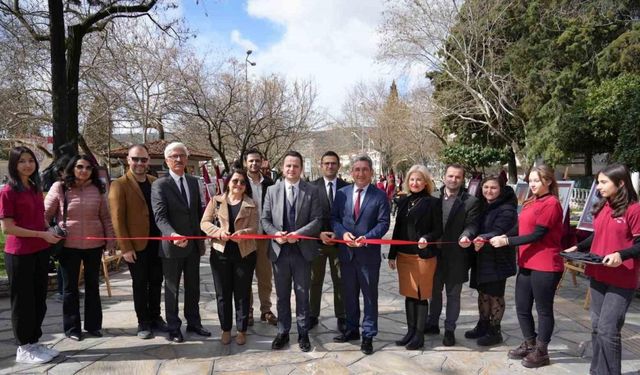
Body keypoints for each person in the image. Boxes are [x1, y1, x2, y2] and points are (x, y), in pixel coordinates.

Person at [564, 164, 640, 375]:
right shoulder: (603, 206)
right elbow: (598, 235)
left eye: (604, 182)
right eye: (599, 182)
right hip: (597, 273)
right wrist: (578, 247)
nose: (599, 186)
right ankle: (597, 371)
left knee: (608, 330)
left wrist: (621, 255)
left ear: (621, 183)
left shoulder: (634, 209)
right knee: (597, 327)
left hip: (621, 278)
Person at [490, 164, 564, 368]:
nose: (532, 184)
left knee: (543, 310)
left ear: (548, 181)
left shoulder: (551, 203)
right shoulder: (531, 201)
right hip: (527, 262)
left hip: (546, 265)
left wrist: (507, 243)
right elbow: (521, 226)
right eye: (530, 180)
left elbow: (537, 234)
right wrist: (506, 234)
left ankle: (542, 351)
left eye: (536, 180)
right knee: (522, 307)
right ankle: (530, 343)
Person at [0, 146, 62, 364]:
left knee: (38, 300)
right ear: (14, 165)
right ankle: (23, 347)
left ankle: (34, 342)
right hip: (20, 254)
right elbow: (7, 228)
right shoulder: (8, 191)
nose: (27, 165)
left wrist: (50, 229)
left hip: (40, 251)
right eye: (22, 161)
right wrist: (40, 234)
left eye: (30, 160)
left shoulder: (35, 187)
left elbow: (40, 216)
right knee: (23, 302)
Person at [45, 155, 116, 341]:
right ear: (71, 168)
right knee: (70, 289)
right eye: (79, 166)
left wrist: (110, 241)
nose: (84, 170)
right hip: (68, 246)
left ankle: (93, 326)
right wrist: (49, 233)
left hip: (94, 245)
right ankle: (72, 329)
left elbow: (106, 217)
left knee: (93, 287)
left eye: (88, 168)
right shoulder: (60, 187)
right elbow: (44, 215)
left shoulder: (98, 189)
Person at [261, 151, 322, 352]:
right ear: (282, 168)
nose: (291, 169)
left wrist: (299, 234)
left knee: (303, 294)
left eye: (296, 166)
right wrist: (275, 233)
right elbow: (265, 219)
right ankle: (283, 332)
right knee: (282, 295)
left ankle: (303, 333)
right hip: (280, 252)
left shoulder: (311, 190)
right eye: (288, 165)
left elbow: (317, 220)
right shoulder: (272, 190)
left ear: (301, 168)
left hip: (302, 251)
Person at [331, 154, 391, 355]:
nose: (361, 173)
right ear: (351, 172)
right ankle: (352, 329)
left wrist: (367, 237)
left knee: (369, 296)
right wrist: (343, 233)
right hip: (347, 254)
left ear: (371, 172)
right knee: (349, 295)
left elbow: (384, 223)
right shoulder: (342, 194)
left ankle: (368, 334)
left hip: (368, 255)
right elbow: (334, 219)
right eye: (357, 169)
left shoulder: (379, 195)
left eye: (365, 169)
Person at [151, 142, 209, 343]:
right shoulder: (160, 185)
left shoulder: (194, 182)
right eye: (174, 156)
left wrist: (202, 237)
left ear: (187, 158)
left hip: (192, 246)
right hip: (172, 247)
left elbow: (197, 213)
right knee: (172, 289)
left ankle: (194, 322)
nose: (178, 159)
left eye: (182, 155)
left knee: (193, 287)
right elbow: (160, 217)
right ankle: (174, 327)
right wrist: (173, 235)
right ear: (166, 160)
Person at [108, 144, 166, 340]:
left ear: (148, 160)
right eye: (135, 159)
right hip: (135, 245)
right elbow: (117, 219)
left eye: (143, 159)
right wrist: (125, 247)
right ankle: (143, 321)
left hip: (156, 243)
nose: (140, 163)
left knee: (157, 281)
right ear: (128, 160)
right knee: (140, 283)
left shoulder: (154, 181)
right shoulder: (119, 184)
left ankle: (156, 317)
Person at [425, 164, 480, 347]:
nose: (453, 180)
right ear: (444, 176)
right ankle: (432, 323)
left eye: (457, 177)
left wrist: (467, 235)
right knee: (434, 292)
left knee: (453, 295)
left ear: (462, 179)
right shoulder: (433, 198)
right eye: (450, 176)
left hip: (457, 257)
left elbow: (472, 224)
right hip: (434, 255)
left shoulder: (470, 201)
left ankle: (449, 330)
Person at [201, 168, 258, 345]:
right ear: (228, 183)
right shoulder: (216, 201)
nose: (238, 185)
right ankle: (226, 328)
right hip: (220, 253)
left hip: (244, 253)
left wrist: (243, 233)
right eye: (235, 181)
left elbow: (255, 227)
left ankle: (241, 330)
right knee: (222, 293)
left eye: (242, 182)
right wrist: (218, 232)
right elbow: (204, 223)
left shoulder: (251, 204)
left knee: (242, 293)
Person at [388, 165, 442, 350]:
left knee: (420, 296)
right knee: (409, 295)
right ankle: (410, 332)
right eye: (412, 179)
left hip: (423, 257)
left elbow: (438, 230)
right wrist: (392, 255)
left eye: (419, 179)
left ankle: (419, 335)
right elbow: (397, 230)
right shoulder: (404, 201)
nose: (415, 183)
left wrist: (427, 238)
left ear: (426, 182)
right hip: (404, 256)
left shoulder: (433, 203)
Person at [467, 175, 518, 346]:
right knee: (483, 293)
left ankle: (495, 330)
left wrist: (482, 237)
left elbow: (499, 230)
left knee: (495, 295)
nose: (489, 191)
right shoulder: (483, 205)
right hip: (482, 256)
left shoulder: (507, 209)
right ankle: (483, 324)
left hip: (498, 258)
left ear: (501, 189)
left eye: (493, 188)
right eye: (486, 187)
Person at [309, 151, 349, 332]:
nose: (330, 166)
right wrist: (319, 234)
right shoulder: (310, 187)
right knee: (314, 280)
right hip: (316, 242)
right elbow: (307, 216)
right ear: (321, 165)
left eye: (333, 163)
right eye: (326, 163)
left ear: (338, 165)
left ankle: (342, 315)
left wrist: (339, 235)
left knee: (340, 280)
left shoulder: (347, 188)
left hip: (339, 243)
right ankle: (312, 315)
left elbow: (348, 217)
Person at [244, 149, 278, 326]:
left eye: (257, 161)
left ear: (262, 162)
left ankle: (266, 310)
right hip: (246, 237)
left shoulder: (270, 184)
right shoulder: (239, 181)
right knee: (246, 276)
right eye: (251, 161)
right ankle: (247, 310)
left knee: (265, 277)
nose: (254, 164)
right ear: (245, 163)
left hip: (264, 237)